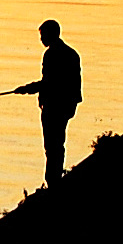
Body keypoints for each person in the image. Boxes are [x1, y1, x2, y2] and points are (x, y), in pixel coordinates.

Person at [15, 20, 82, 187]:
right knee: (57, 143)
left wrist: (27, 89)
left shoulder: (52, 54)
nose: (41, 39)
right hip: (67, 104)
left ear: (50, 35)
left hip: (55, 105)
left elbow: (50, 82)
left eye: (42, 35)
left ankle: (52, 181)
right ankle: (55, 179)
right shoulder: (71, 53)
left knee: (52, 145)